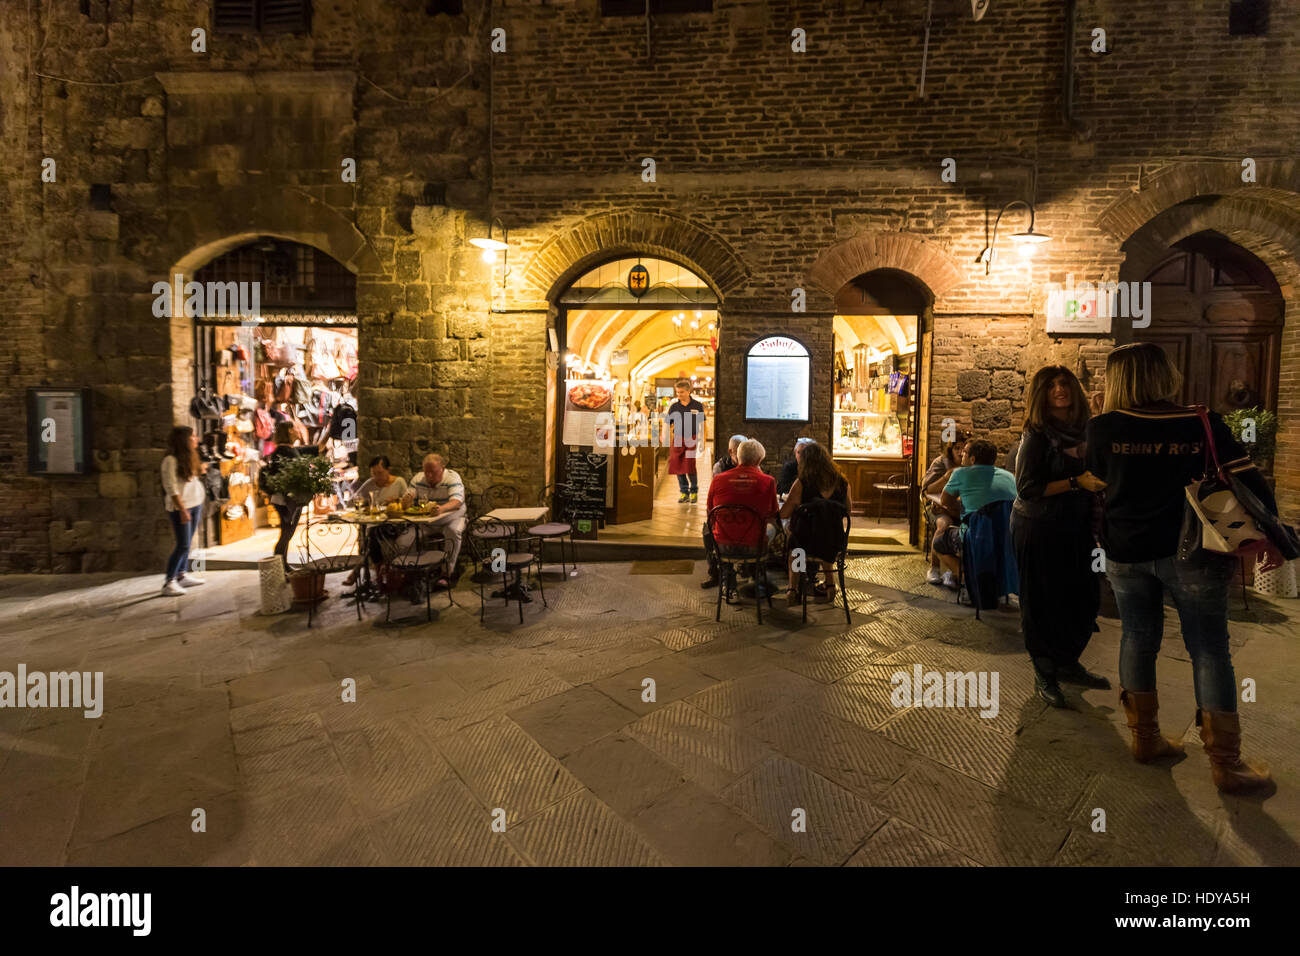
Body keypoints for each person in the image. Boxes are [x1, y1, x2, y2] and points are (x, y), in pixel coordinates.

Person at [1088, 343, 1284, 793]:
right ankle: (1225, 763)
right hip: (1192, 553)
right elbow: (1248, 478)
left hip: (1124, 551)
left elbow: (1099, 480)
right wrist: (1270, 534)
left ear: (1119, 379)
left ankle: (1145, 739)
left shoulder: (1101, 427)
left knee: (1138, 638)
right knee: (1210, 650)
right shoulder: (1202, 421)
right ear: (1164, 375)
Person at [1012, 367, 1109, 707]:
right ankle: (1045, 671)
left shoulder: (1086, 430)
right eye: (1051, 385)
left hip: (1078, 526)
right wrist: (1075, 482)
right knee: (1041, 602)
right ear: (1041, 393)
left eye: (1064, 383)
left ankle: (1068, 662)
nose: (1059, 389)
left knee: (1083, 599)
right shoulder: (1035, 436)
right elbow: (1026, 488)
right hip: (1038, 527)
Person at [932, 439, 1017, 591]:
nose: (961, 454)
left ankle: (965, 578)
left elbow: (945, 500)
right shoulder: (1009, 477)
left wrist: (961, 508)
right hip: (1006, 539)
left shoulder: (960, 473)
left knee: (938, 542)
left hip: (974, 538)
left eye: (964, 452)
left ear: (972, 459)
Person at [701, 438, 779, 593]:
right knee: (773, 528)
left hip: (723, 547)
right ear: (758, 460)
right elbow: (772, 515)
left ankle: (728, 583)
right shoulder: (768, 481)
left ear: (739, 456)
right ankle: (756, 574)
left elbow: (710, 513)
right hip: (753, 547)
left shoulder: (718, 479)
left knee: (714, 528)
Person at [779, 441, 851, 605]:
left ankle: (793, 588)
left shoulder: (802, 483)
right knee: (825, 533)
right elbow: (848, 510)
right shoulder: (843, 483)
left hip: (806, 542)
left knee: (795, 549)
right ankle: (830, 584)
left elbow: (785, 513)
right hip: (834, 542)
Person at [401, 452, 468, 588]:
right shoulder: (418, 479)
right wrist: (406, 501)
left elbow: (457, 501)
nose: (429, 476)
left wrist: (441, 509)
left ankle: (447, 572)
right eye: (426, 472)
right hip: (427, 521)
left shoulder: (452, 477)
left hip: (452, 517)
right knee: (403, 540)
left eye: (433, 472)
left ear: (442, 468)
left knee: (453, 532)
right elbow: (408, 498)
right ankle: (413, 573)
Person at [342, 456, 409, 589]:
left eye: (380, 473)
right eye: (374, 473)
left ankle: (366, 572)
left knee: (373, 534)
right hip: (376, 524)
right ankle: (378, 574)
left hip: (395, 524)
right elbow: (352, 502)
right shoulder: (370, 483)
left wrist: (397, 501)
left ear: (388, 470)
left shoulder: (399, 482)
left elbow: (407, 503)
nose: (377, 477)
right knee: (373, 534)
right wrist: (366, 505)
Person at [160, 425, 207, 596]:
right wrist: (182, 509)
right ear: (183, 440)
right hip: (182, 507)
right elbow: (171, 487)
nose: (196, 439)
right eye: (193, 436)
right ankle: (169, 581)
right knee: (183, 544)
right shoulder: (170, 460)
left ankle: (181, 575)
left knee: (188, 543)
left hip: (195, 503)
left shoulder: (188, 457)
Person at [920, 428, 969, 585]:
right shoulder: (941, 463)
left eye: (963, 448)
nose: (961, 452)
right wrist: (946, 477)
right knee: (944, 524)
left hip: (957, 508)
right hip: (935, 505)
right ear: (950, 449)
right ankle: (934, 569)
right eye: (957, 448)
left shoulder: (969, 465)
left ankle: (951, 571)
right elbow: (927, 489)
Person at [261, 421, 306, 571]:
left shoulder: (287, 450)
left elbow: (317, 448)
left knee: (287, 533)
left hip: (286, 499)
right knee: (286, 533)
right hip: (285, 500)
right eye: (294, 428)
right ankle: (279, 568)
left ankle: (283, 567)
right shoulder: (283, 451)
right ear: (288, 431)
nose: (298, 430)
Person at [664, 379, 706, 503]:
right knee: (677, 465)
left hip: (691, 438)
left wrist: (703, 440)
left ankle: (693, 492)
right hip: (677, 438)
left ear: (688, 391)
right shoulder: (674, 406)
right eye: (677, 392)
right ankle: (684, 492)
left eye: (681, 392)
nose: (679, 395)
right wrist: (663, 435)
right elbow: (667, 423)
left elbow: (703, 424)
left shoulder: (697, 405)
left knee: (689, 465)